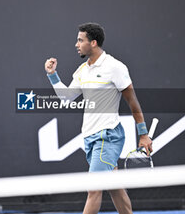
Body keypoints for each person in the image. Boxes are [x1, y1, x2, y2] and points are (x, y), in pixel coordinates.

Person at [44, 22, 153, 214]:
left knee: (93, 188)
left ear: (93, 43)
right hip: (90, 137)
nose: (76, 44)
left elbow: (132, 101)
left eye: (80, 40)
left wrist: (143, 133)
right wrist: (52, 75)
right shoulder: (82, 71)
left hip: (108, 136)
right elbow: (66, 97)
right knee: (115, 187)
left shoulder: (115, 67)